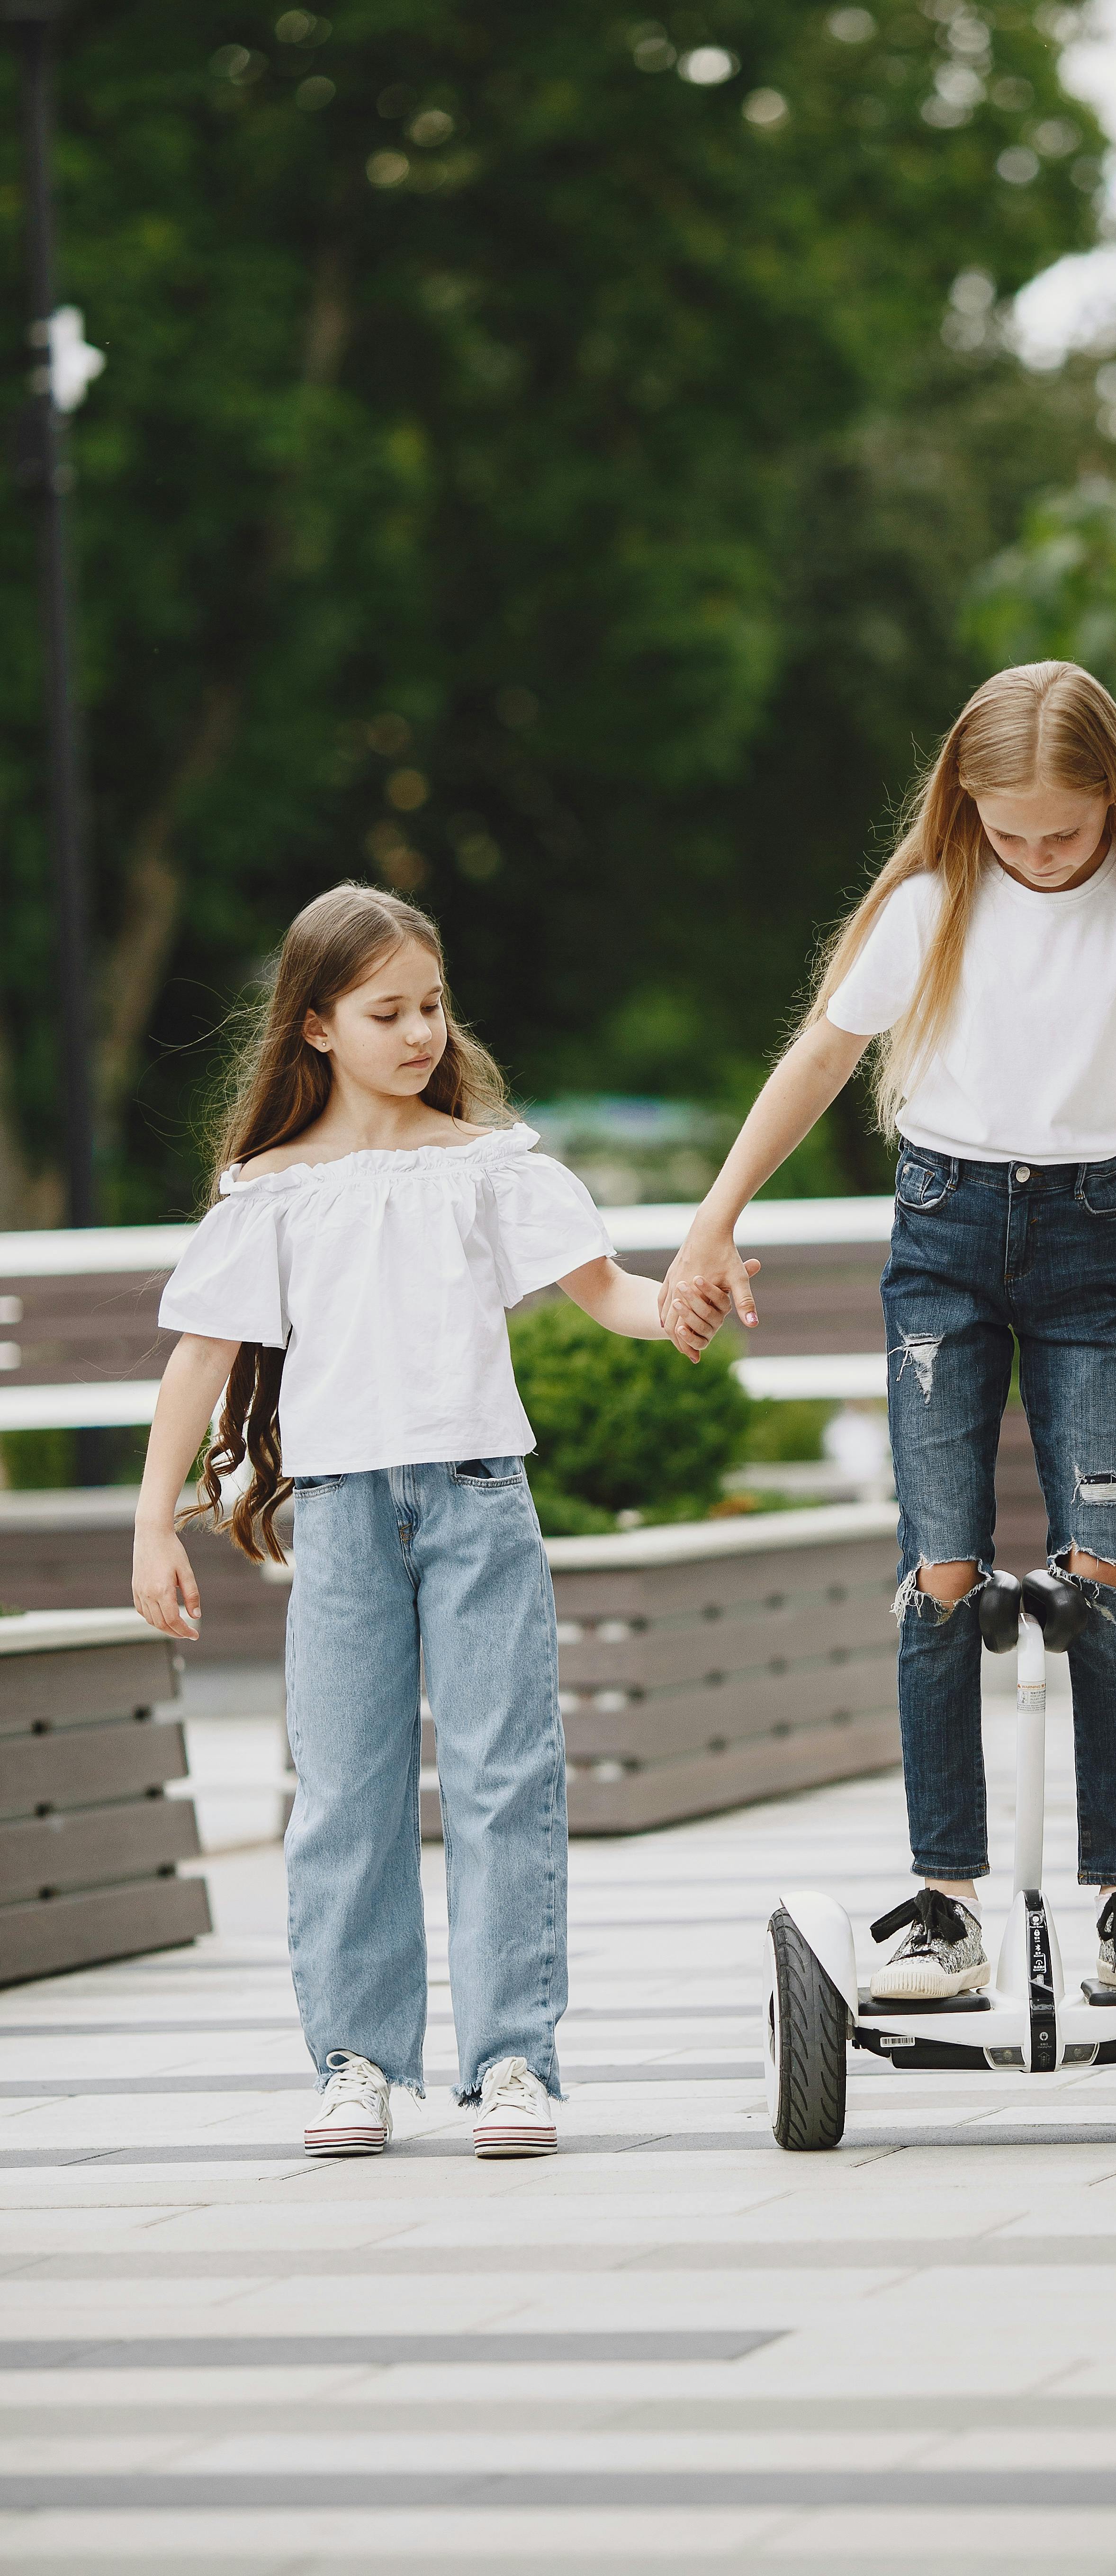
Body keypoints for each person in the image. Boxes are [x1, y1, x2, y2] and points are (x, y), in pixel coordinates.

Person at [663, 661, 1116, 2001]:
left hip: (1095, 1247)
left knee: (1104, 1571)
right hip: (945, 1243)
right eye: (1007, 831)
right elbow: (817, 1056)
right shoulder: (934, 902)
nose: (1033, 857)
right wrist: (713, 1217)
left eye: (1063, 834)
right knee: (943, 1570)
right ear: (963, 808)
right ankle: (941, 1906)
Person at [132, 885, 726, 2161]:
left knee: (507, 1783)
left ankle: (513, 2061)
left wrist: (676, 1305)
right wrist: (153, 1528)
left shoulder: (489, 1166)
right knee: (346, 1792)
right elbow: (198, 1361)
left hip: (477, 1505)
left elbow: (605, 1291)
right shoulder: (275, 1192)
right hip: (344, 1522)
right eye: (387, 1012)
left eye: (434, 1007)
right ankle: (357, 2061)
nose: (420, 1035)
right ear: (315, 1028)